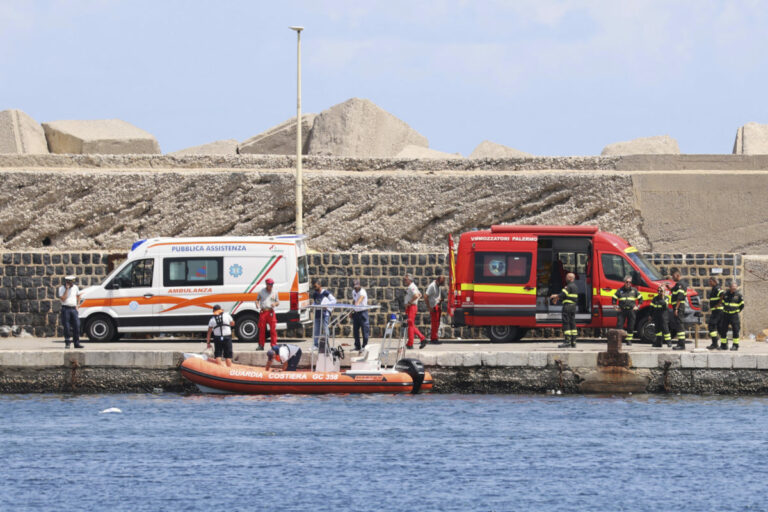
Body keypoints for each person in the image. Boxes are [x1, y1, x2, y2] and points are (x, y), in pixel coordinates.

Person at [549, 272, 578, 348]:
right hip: (573, 307)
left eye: (567, 277)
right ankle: (573, 342)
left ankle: (567, 341)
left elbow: (562, 295)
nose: (566, 278)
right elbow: (567, 297)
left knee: (566, 323)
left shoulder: (568, 287)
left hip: (567, 307)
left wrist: (555, 296)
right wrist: (558, 298)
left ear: (571, 278)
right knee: (572, 323)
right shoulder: (575, 287)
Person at [612, 275, 642, 345]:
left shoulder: (634, 290)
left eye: (630, 282)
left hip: (631, 311)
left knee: (631, 326)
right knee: (619, 326)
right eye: (627, 282)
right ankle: (618, 341)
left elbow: (640, 299)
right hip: (622, 311)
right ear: (624, 282)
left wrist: (638, 306)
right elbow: (614, 298)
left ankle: (629, 341)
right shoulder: (620, 290)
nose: (628, 283)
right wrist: (615, 307)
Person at [58, 275, 83, 348]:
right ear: (67, 282)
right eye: (70, 282)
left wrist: (78, 304)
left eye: (72, 282)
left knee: (77, 325)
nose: (72, 284)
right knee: (67, 326)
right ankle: (67, 343)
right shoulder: (61, 288)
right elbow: (63, 299)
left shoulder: (75, 287)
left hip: (73, 309)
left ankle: (76, 343)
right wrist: (67, 289)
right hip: (66, 309)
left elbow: (78, 295)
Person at [718, 281, 745, 351]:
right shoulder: (725, 294)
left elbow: (742, 305)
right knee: (723, 330)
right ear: (730, 287)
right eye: (733, 287)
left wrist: (736, 311)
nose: (734, 288)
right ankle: (724, 345)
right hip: (726, 315)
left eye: (735, 287)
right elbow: (723, 303)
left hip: (734, 315)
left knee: (735, 330)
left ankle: (735, 346)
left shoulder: (739, 295)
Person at [403, 274, 427, 349]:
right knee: (411, 325)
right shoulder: (413, 286)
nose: (404, 281)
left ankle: (410, 343)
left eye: (405, 279)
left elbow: (417, 295)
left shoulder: (411, 287)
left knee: (410, 325)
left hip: (411, 307)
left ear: (410, 280)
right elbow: (419, 294)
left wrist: (410, 302)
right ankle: (422, 338)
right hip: (411, 307)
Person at [256, 278, 279, 350]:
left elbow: (278, 302)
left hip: (271, 312)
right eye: (269, 284)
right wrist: (257, 304)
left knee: (273, 330)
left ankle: (273, 345)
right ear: (266, 284)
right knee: (262, 329)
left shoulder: (275, 292)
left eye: (272, 284)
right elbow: (257, 300)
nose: (271, 286)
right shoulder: (261, 292)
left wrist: (275, 304)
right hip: (263, 312)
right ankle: (261, 345)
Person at [311, 280, 336, 347]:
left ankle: (326, 344)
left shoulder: (326, 293)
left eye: (316, 286)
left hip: (324, 314)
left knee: (325, 329)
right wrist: (312, 305)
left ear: (319, 285)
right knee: (316, 329)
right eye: (314, 287)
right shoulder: (315, 294)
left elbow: (334, 300)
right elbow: (316, 302)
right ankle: (316, 344)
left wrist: (326, 305)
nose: (315, 288)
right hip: (317, 313)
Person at [668, 269, 688, 350]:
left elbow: (679, 298)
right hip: (677, 307)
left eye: (673, 276)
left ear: (677, 275)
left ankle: (682, 344)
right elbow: (673, 291)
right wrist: (667, 287)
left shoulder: (681, 284)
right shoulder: (678, 284)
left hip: (679, 307)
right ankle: (680, 343)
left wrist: (676, 308)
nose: (672, 278)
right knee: (678, 325)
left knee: (680, 325)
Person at [425, 273, 445, 345]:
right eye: (441, 283)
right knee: (434, 323)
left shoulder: (438, 285)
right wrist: (429, 307)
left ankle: (435, 337)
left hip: (437, 305)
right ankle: (433, 339)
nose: (442, 284)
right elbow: (425, 296)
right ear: (438, 280)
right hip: (433, 307)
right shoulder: (432, 286)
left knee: (437, 323)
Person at [706, 276, 725, 350]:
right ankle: (723, 344)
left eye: (710, 281)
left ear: (714, 281)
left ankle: (715, 343)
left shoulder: (717, 288)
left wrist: (718, 304)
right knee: (720, 328)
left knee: (711, 326)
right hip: (716, 311)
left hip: (718, 311)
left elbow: (722, 295)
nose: (709, 283)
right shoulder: (714, 288)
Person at [351, 280, 370, 351]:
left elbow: (359, 300)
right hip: (356, 313)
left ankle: (364, 346)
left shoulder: (362, 292)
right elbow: (354, 301)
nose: (356, 289)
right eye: (354, 287)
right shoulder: (353, 292)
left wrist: (356, 304)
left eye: (357, 287)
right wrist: (351, 311)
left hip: (363, 313)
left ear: (359, 285)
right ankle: (357, 346)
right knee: (355, 331)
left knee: (365, 330)